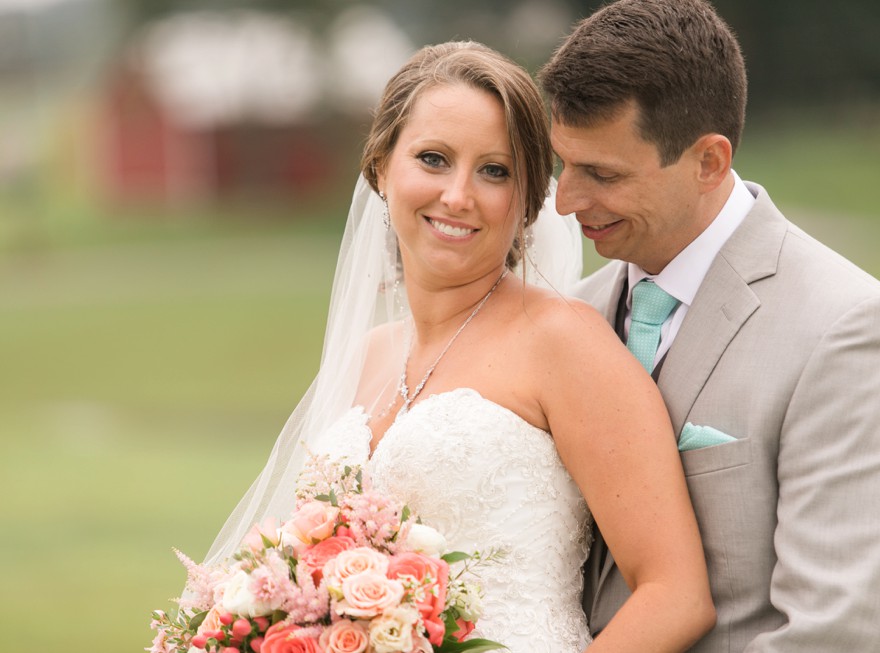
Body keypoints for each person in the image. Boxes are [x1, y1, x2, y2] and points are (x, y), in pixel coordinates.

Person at [202, 41, 715, 652]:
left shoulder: (564, 343)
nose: (458, 195)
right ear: (380, 167)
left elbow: (675, 594)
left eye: (494, 171)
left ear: (527, 201)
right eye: (434, 159)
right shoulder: (366, 356)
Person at [538, 0, 880, 650]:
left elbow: (834, 634)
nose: (565, 200)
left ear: (708, 162)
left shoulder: (852, 333)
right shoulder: (568, 319)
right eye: (564, 162)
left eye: (602, 174)